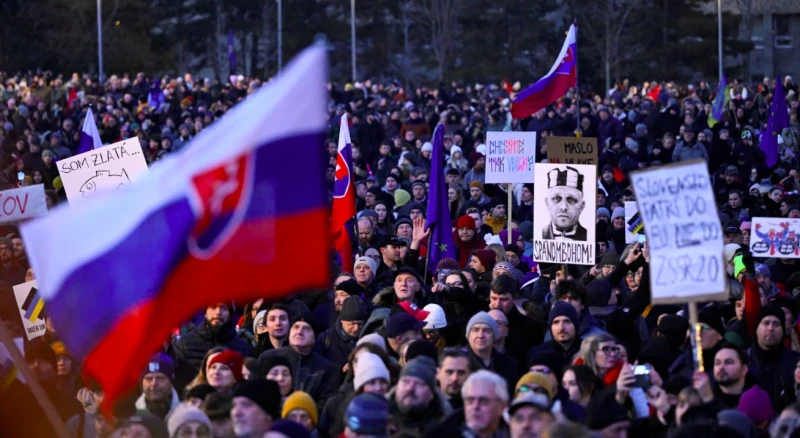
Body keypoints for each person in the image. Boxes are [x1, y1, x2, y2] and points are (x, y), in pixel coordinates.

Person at [259, 312, 339, 411]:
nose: (299, 332)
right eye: (296, 327)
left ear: (314, 337)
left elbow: (326, 405)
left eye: (306, 329)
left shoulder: (326, 368)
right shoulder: (268, 357)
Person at [173, 303, 254, 390]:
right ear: (205, 312)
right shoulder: (184, 345)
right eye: (213, 307)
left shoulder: (244, 348)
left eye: (224, 308)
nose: (218, 312)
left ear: (230, 314)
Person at [749, 304, 800, 413]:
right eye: (766, 323)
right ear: (757, 328)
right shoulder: (744, 360)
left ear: (782, 330)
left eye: (776, 324)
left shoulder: (795, 361)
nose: (771, 328)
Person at [388, 357, 452, 435]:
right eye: (406, 382)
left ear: (431, 394)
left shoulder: (446, 428)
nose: (410, 388)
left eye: (419, 384)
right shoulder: (379, 418)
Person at [465, 311, 519, 395]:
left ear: (494, 336)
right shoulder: (458, 362)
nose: (480, 335)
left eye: (486, 330)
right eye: (475, 330)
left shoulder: (510, 365)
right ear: (468, 335)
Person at [528, 302, 582, 375]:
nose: (561, 327)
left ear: (575, 325)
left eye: (567, 321)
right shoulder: (538, 355)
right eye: (556, 322)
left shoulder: (588, 352)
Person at [315, 295, 367, 369]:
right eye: (352, 323)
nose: (356, 328)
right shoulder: (325, 339)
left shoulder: (370, 338)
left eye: (360, 324)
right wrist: (341, 370)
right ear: (342, 321)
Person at [541, 166, 588, 241]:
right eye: (557, 198)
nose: (563, 207)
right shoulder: (539, 235)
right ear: (547, 203)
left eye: (571, 199)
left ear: (582, 206)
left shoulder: (590, 237)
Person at [137, 353, 181, 420]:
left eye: (160, 378)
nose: (154, 383)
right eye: (149, 378)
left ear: (171, 381)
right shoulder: (131, 414)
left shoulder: (187, 413)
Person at [713, 343, 755, 409]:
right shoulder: (707, 400)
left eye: (729, 362)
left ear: (744, 369)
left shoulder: (757, 400)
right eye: (717, 363)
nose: (721, 367)